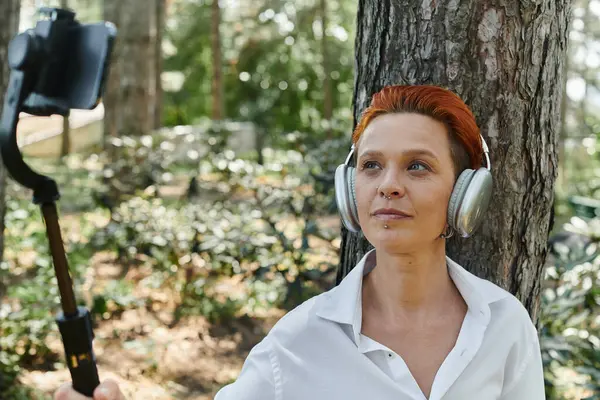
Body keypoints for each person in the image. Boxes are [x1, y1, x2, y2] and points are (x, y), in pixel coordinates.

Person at [54, 85, 545, 400]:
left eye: (417, 165)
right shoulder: (298, 342)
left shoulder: (503, 326)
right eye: (371, 165)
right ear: (350, 190)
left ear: (466, 195)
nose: (388, 185)